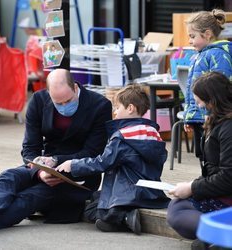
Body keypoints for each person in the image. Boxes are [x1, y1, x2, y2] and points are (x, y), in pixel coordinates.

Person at [0, 68, 112, 234]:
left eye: (68, 101)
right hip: (43, 165)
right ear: (49, 94)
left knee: (30, 196)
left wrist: (56, 161)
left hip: (80, 173)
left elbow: (93, 152)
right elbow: (30, 148)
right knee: (9, 176)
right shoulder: (38, 100)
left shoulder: (99, 105)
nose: (64, 107)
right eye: (58, 103)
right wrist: (40, 171)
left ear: (75, 87)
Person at [56, 84, 170, 235]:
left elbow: (102, 163)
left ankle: (125, 217)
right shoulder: (154, 133)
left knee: (94, 212)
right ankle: (127, 215)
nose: (115, 112)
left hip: (127, 193)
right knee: (96, 197)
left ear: (130, 108)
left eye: (117, 107)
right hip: (151, 193)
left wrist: (74, 165)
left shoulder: (122, 137)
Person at [167, 72, 232, 243]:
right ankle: (213, 236)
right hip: (222, 189)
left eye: (199, 101)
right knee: (177, 205)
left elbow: (228, 176)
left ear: (213, 101)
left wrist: (192, 188)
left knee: (178, 211)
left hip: (227, 194)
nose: (198, 105)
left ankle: (217, 235)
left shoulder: (228, 127)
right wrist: (191, 186)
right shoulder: (219, 121)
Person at [183, 9, 232, 161]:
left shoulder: (218, 54)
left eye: (192, 36)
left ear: (208, 34)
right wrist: (189, 116)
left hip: (211, 117)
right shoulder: (198, 55)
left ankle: (210, 184)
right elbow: (193, 91)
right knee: (202, 155)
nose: (190, 41)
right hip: (199, 117)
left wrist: (210, 115)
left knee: (213, 157)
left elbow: (218, 89)